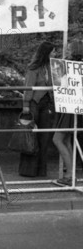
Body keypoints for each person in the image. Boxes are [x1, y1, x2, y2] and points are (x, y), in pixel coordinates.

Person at [20, 41, 56, 178]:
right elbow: (28, 87)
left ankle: (41, 170)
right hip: (34, 103)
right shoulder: (33, 68)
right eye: (53, 51)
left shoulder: (51, 67)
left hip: (46, 103)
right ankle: (29, 170)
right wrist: (26, 106)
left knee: (44, 137)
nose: (55, 54)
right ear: (46, 53)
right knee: (32, 137)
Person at [53, 40, 83, 185]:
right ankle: (71, 174)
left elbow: (60, 84)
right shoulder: (71, 65)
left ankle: (70, 174)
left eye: (69, 48)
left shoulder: (68, 66)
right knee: (66, 140)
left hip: (70, 107)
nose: (67, 50)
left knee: (58, 139)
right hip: (73, 106)